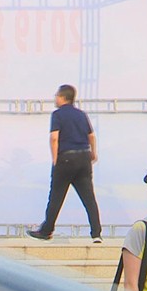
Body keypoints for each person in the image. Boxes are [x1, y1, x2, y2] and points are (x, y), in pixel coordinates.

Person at [27, 84, 103, 242]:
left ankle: (46, 231)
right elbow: (91, 136)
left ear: (63, 97)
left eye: (56, 95)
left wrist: (55, 158)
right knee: (89, 197)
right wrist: (93, 153)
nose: (55, 98)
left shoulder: (58, 115)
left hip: (66, 158)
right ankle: (96, 233)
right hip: (84, 158)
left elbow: (54, 138)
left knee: (56, 197)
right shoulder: (81, 115)